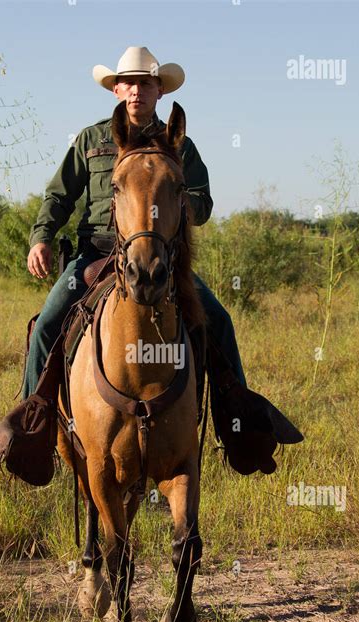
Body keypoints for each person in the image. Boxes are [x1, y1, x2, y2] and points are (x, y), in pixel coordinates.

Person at [23, 45, 246, 400]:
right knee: (47, 325)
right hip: (94, 256)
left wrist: (171, 196)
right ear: (116, 90)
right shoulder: (91, 140)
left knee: (218, 322)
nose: (136, 91)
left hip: (163, 259)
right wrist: (42, 237)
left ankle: (240, 420)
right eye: (128, 83)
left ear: (160, 90)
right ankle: (31, 421)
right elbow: (59, 195)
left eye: (145, 83)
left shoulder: (180, 146)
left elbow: (202, 207)